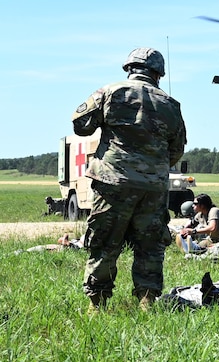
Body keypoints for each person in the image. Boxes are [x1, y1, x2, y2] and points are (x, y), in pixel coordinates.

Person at [72, 47, 187, 312]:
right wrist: (152, 167)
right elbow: (177, 149)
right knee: (150, 245)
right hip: (153, 187)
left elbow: (81, 125)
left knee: (105, 242)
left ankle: (96, 305)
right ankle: (147, 302)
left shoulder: (110, 92)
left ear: (129, 68)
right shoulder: (170, 104)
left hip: (113, 182)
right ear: (158, 73)